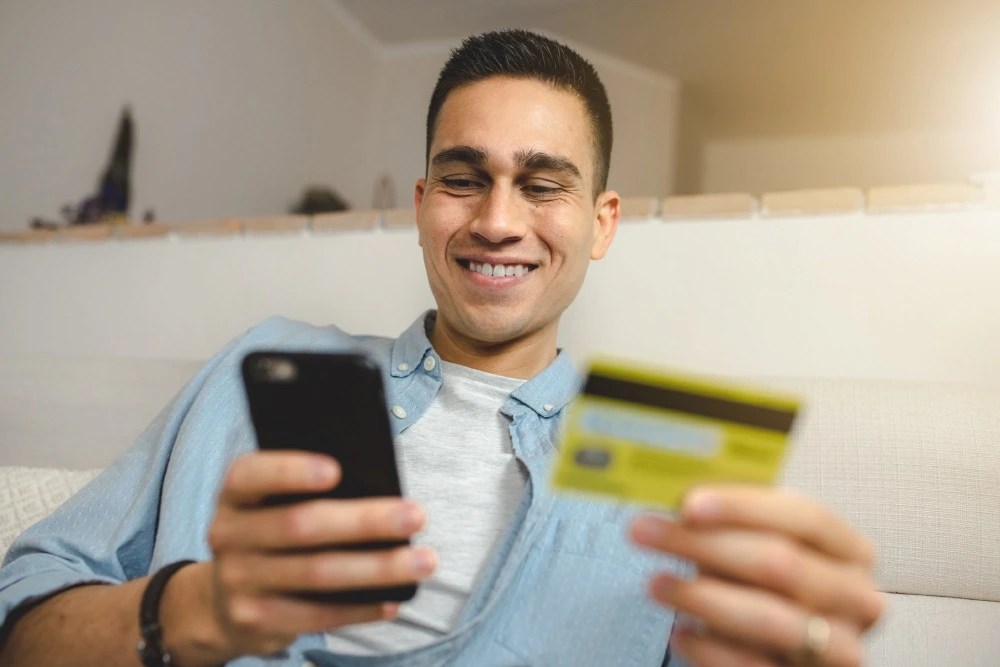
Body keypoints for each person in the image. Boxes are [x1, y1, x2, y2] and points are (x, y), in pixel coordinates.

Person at [0, 30, 882, 667]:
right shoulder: (267, 365)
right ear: (424, 202)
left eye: (543, 185)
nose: (497, 221)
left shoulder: (675, 444)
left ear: (602, 222)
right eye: (464, 179)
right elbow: (22, 609)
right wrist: (195, 608)